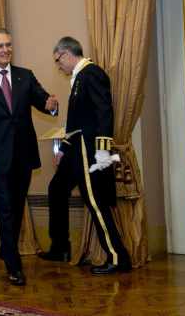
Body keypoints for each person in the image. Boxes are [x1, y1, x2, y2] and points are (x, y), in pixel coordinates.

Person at [0, 29, 58, 286]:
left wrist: (52, 106)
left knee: (16, 208)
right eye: (0, 46)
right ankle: (13, 263)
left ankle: (6, 248)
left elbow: (43, 101)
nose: (6, 49)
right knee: (6, 208)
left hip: (23, 155)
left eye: (8, 45)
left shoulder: (25, 76)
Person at [39, 36, 131, 275]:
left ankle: (117, 257)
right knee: (57, 188)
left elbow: (104, 113)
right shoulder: (78, 78)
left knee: (96, 202)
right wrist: (63, 151)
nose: (58, 66)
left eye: (58, 60)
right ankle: (60, 246)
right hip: (76, 149)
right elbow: (76, 122)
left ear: (67, 54)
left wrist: (102, 150)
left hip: (90, 150)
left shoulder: (91, 74)